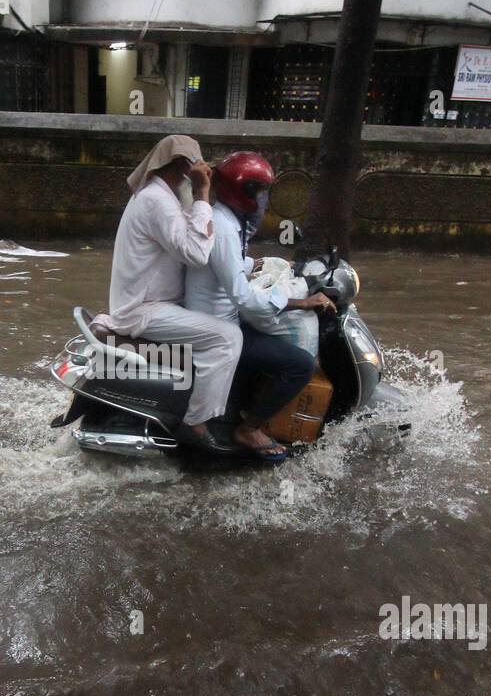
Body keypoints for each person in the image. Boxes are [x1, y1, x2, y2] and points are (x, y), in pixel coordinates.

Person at [92, 134, 243, 454]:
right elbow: (196, 253)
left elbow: (188, 233)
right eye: (196, 165)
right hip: (145, 308)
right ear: (182, 166)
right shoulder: (156, 201)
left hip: (151, 301)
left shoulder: (161, 196)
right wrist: (202, 192)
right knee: (227, 337)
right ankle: (196, 423)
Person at [182, 151, 335, 461]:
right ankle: (249, 428)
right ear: (246, 192)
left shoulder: (228, 219)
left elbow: (227, 267)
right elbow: (243, 297)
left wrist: (259, 263)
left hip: (224, 318)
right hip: (220, 325)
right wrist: (302, 302)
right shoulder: (223, 226)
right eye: (261, 191)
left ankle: (238, 406)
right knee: (299, 365)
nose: (265, 200)